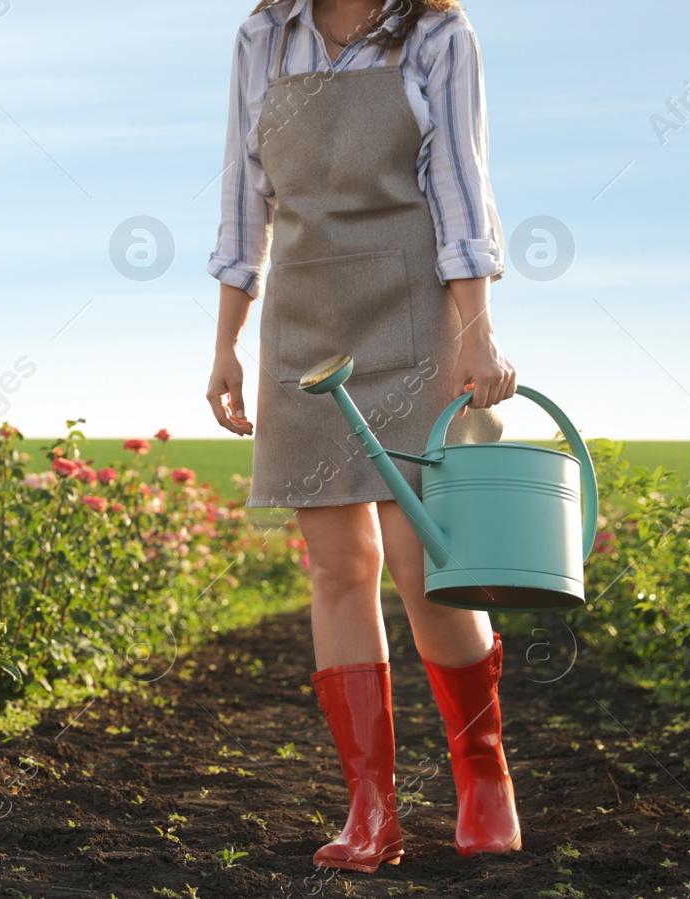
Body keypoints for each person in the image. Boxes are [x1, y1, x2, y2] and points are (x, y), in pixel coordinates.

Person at [204, 0, 521, 873]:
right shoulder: (262, 38)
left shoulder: (437, 37)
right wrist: (226, 342)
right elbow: (244, 195)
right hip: (302, 323)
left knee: (424, 561)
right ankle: (371, 809)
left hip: (415, 317)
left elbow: (461, 184)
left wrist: (477, 330)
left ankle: (481, 770)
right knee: (336, 564)